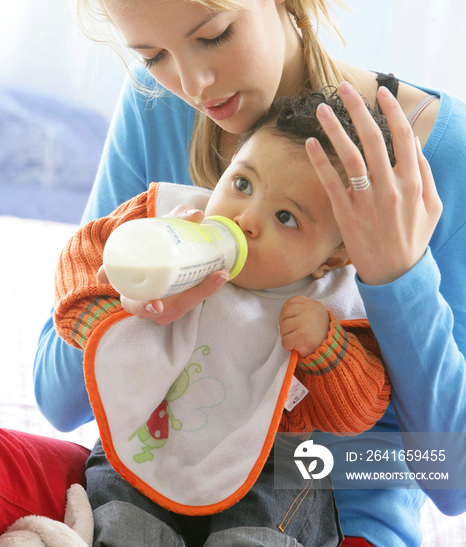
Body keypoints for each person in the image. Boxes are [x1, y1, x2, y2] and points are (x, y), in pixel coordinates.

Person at [30, 0, 466, 545]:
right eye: (154, 56)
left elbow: (451, 479)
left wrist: (396, 279)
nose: (195, 85)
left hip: (324, 511)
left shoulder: (433, 156)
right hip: (149, 486)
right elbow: (55, 399)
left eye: (213, 35)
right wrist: (129, 302)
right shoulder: (156, 107)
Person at [53, 89, 393, 547]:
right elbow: (80, 260)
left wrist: (326, 347)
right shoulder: (174, 223)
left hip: (271, 456)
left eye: (287, 218)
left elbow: (363, 407)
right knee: (122, 516)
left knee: (275, 512)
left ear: (331, 259)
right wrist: (119, 315)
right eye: (243, 184)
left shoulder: (327, 300)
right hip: (152, 425)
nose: (247, 219)